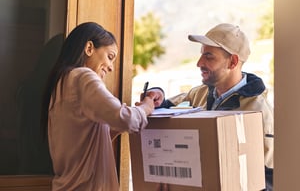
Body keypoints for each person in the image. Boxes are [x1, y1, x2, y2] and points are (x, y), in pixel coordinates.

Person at [146, 23, 274, 190]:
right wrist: (157, 95)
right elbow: (167, 105)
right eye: (201, 55)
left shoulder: (258, 112)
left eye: (209, 56)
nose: (199, 63)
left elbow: (269, 177)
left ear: (233, 62)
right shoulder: (199, 94)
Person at [41, 22, 157, 191]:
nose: (110, 67)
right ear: (89, 48)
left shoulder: (61, 83)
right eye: (110, 57)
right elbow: (126, 118)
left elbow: (82, 141)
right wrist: (147, 107)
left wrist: (115, 126)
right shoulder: (83, 76)